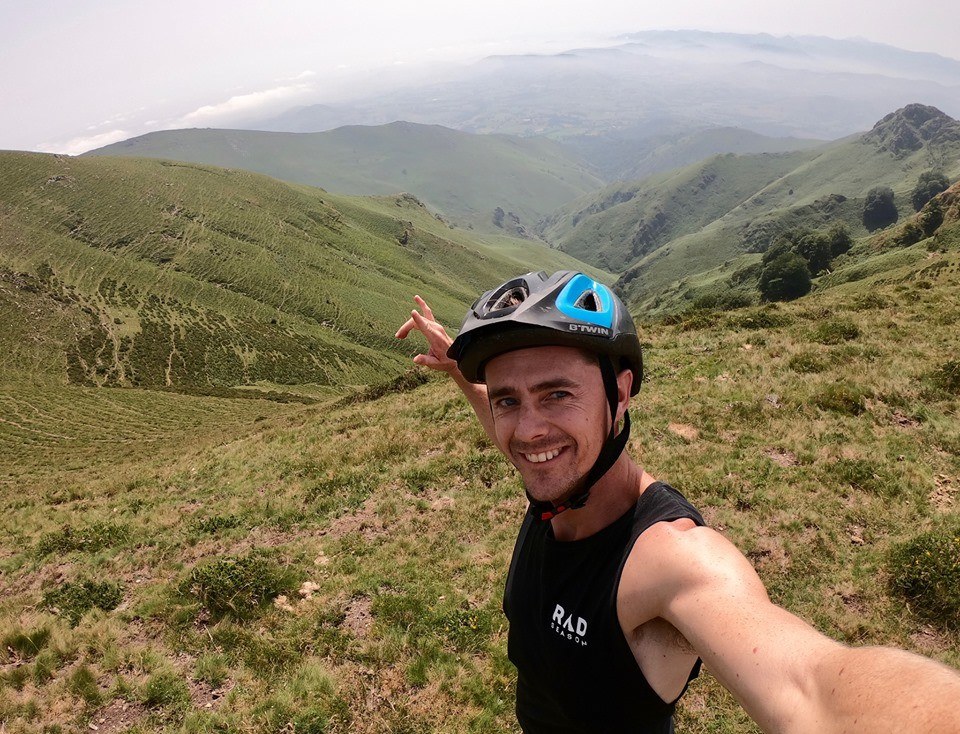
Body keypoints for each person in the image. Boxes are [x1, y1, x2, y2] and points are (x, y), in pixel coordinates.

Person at [395, 270, 960, 733]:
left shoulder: (670, 559)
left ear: (619, 395)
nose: (528, 431)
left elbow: (811, 685)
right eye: (508, 401)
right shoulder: (559, 487)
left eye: (558, 394)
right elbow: (523, 435)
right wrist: (460, 375)